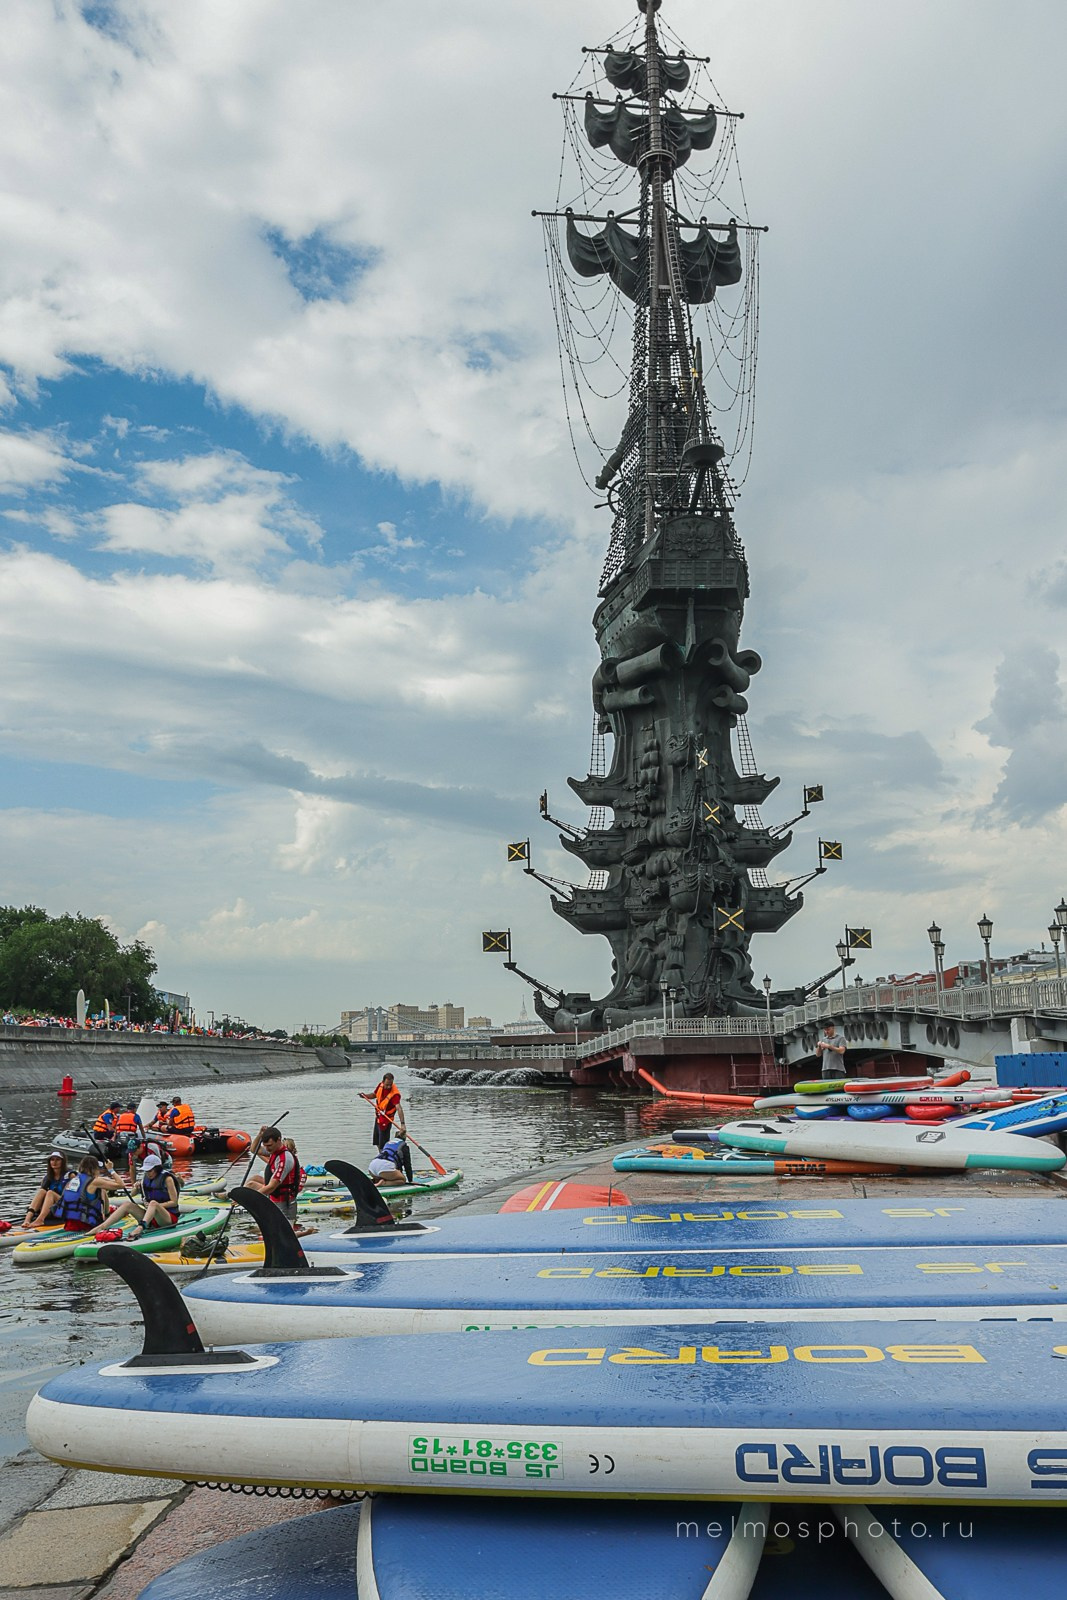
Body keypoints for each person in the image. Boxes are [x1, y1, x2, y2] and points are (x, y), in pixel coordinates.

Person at [103, 1153, 181, 1237]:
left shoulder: (167, 1179)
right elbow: (132, 1195)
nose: (148, 1173)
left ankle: (140, 1228)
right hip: (152, 1218)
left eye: (150, 1171)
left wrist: (155, 1206)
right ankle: (102, 1227)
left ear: (157, 1169)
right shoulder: (145, 1179)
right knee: (127, 1204)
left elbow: (174, 1202)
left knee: (153, 1203)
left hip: (167, 1218)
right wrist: (136, 1188)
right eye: (146, 1171)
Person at [247, 1125, 308, 1232]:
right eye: (265, 1145)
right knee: (272, 1230)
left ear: (278, 1140)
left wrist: (250, 1198)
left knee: (283, 1233)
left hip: (285, 1203)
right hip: (274, 1199)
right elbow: (253, 1149)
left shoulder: (285, 1159)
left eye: (269, 1145)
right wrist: (260, 1135)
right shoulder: (273, 1151)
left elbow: (271, 1186)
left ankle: (306, 1233)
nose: (267, 1149)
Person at [51, 1156, 126, 1233]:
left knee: (102, 1188)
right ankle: (106, 1216)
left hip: (69, 1224)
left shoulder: (74, 1180)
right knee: (102, 1190)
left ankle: (106, 1214)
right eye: (98, 1168)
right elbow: (121, 1185)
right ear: (95, 1169)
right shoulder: (95, 1182)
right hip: (86, 1225)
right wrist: (111, 1170)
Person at [21, 1152, 68, 1229]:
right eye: (52, 1160)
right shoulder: (48, 1177)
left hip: (66, 1208)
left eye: (58, 1160)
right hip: (53, 1208)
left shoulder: (70, 1175)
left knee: (50, 1193)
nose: (54, 1162)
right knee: (42, 1191)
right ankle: (27, 1219)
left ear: (63, 1162)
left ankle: (40, 1219)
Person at [366, 1072, 405, 1152]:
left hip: (386, 1120)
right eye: (387, 1084)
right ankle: (380, 1155)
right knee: (377, 1141)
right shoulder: (380, 1086)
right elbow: (374, 1095)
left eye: (390, 1084)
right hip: (379, 1117)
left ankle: (384, 1157)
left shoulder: (395, 1094)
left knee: (383, 1144)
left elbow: (399, 1108)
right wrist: (365, 1096)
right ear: (383, 1082)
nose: (389, 1087)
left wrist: (402, 1124)